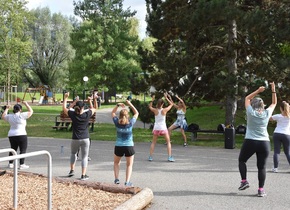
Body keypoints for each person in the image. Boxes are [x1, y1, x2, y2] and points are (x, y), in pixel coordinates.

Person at [238, 82, 277, 197]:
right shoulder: (267, 113)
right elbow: (274, 102)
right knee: (262, 167)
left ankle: (244, 181)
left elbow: (247, 98)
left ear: (253, 105)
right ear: (263, 105)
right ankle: (261, 190)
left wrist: (258, 91)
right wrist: (273, 89)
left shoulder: (250, 112)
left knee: (242, 160)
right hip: (264, 142)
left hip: (250, 140)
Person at [62, 92, 97, 180]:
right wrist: (91, 101)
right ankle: (83, 175)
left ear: (75, 107)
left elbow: (65, 108)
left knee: (73, 154)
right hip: (85, 138)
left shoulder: (73, 114)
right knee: (84, 157)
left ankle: (72, 170)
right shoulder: (86, 114)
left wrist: (66, 98)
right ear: (83, 107)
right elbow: (94, 108)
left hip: (75, 138)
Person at [111, 100, 139, 186]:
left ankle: (116, 179)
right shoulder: (130, 123)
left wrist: (118, 105)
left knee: (116, 163)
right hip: (129, 146)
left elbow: (113, 112)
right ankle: (127, 182)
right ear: (127, 116)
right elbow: (136, 113)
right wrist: (130, 104)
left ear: (120, 116)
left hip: (119, 146)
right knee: (129, 165)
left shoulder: (117, 122)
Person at [1, 101, 33, 169]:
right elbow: (31, 111)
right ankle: (21, 164)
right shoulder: (22, 115)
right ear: (20, 110)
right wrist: (26, 104)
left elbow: (3, 116)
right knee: (22, 149)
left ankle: (10, 163)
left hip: (12, 134)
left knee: (13, 149)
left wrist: (7, 108)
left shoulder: (10, 116)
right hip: (21, 134)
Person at [148, 93, 175, 162]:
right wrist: (166, 98)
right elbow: (172, 104)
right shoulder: (164, 110)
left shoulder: (155, 110)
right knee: (168, 142)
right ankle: (169, 157)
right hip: (163, 128)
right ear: (162, 104)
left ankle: (150, 156)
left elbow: (150, 106)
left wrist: (152, 100)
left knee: (153, 142)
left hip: (156, 128)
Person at [269, 101, 290, 173]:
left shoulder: (278, 116)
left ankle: (275, 168)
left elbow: (270, 118)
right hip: (286, 135)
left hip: (277, 133)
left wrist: (270, 110)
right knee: (287, 152)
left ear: (281, 108)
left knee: (277, 152)